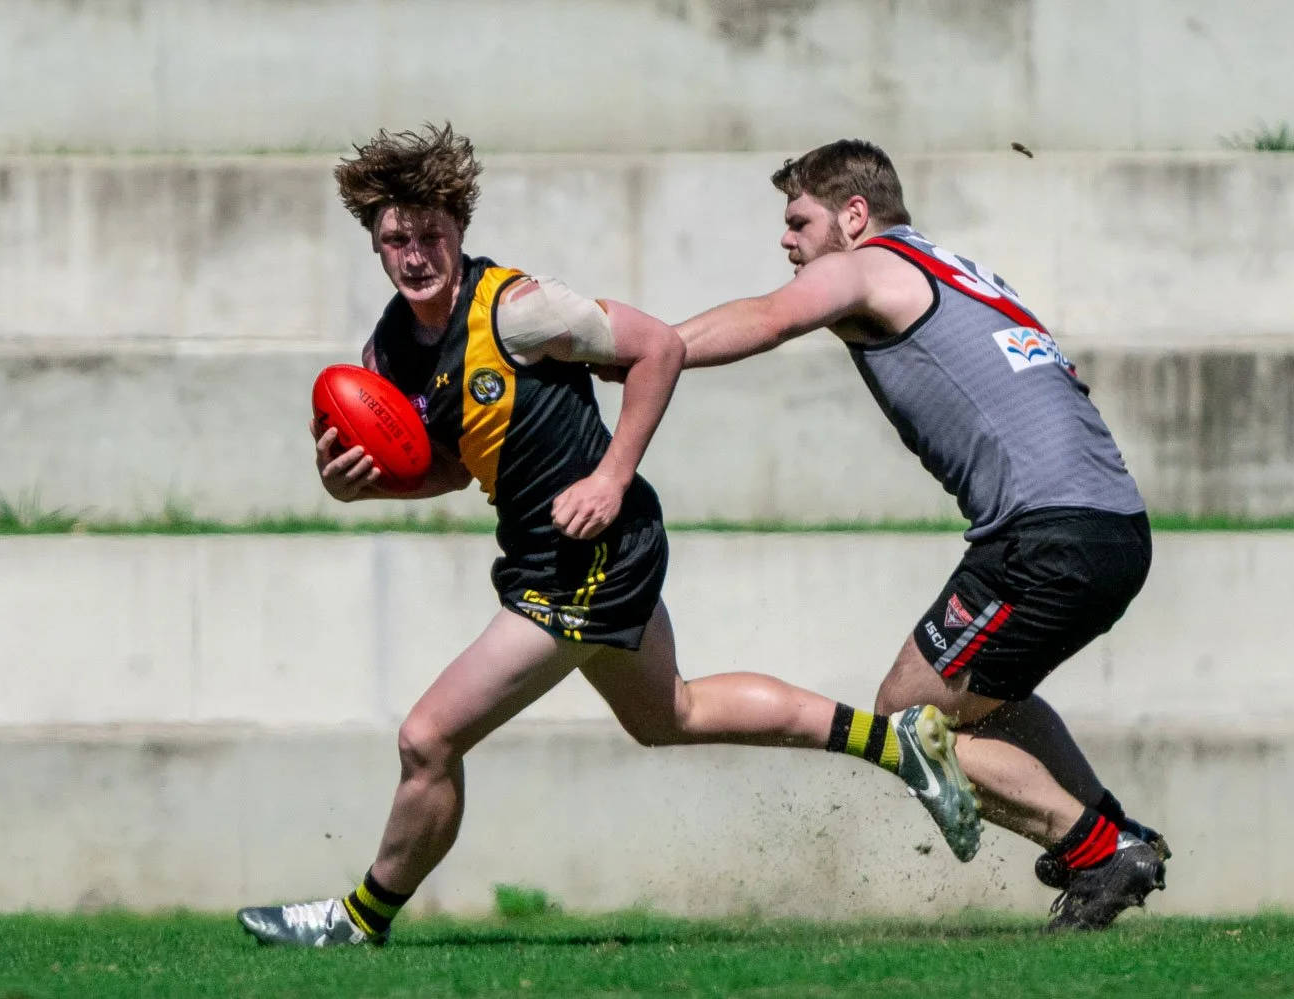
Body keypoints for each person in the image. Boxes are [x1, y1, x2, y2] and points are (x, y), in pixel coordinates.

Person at [235, 125, 980, 948]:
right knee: (672, 713)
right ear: (375, 246)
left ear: (460, 228)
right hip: (544, 548)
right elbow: (448, 460)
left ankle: (356, 919)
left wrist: (611, 474)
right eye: (396, 240)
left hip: (589, 553)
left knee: (428, 737)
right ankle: (896, 740)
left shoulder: (519, 309)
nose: (416, 256)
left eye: (431, 235)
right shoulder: (388, 351)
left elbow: (657, 347)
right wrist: (359, 487)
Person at [667, 139, 1171, 932]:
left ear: (854, 216)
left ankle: (1099, 849)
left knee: (905, 717)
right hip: (1112, 529)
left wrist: (642, 351)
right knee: (981, 701)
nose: (787, 241)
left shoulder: (865, 266)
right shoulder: (950, 267)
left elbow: (767, 319)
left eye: (799, 221)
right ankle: (1116, 833)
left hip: (1044, 535)